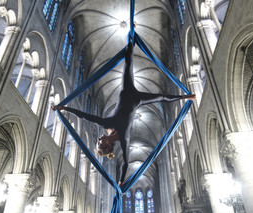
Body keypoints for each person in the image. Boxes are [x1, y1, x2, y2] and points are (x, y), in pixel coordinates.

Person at [52, 40, 195, 187]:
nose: (99, 140)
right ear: (107, 145)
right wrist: (121, 182)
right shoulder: (124, 138)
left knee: (128, 64)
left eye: (97, 142)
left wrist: (65, 108)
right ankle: (187, 97)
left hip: (126, 91)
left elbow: (85, 116)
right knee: (162, 97)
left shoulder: (106, 124)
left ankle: (132, 38)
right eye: (100, 143)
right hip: (137, 100)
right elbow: (126, 162)